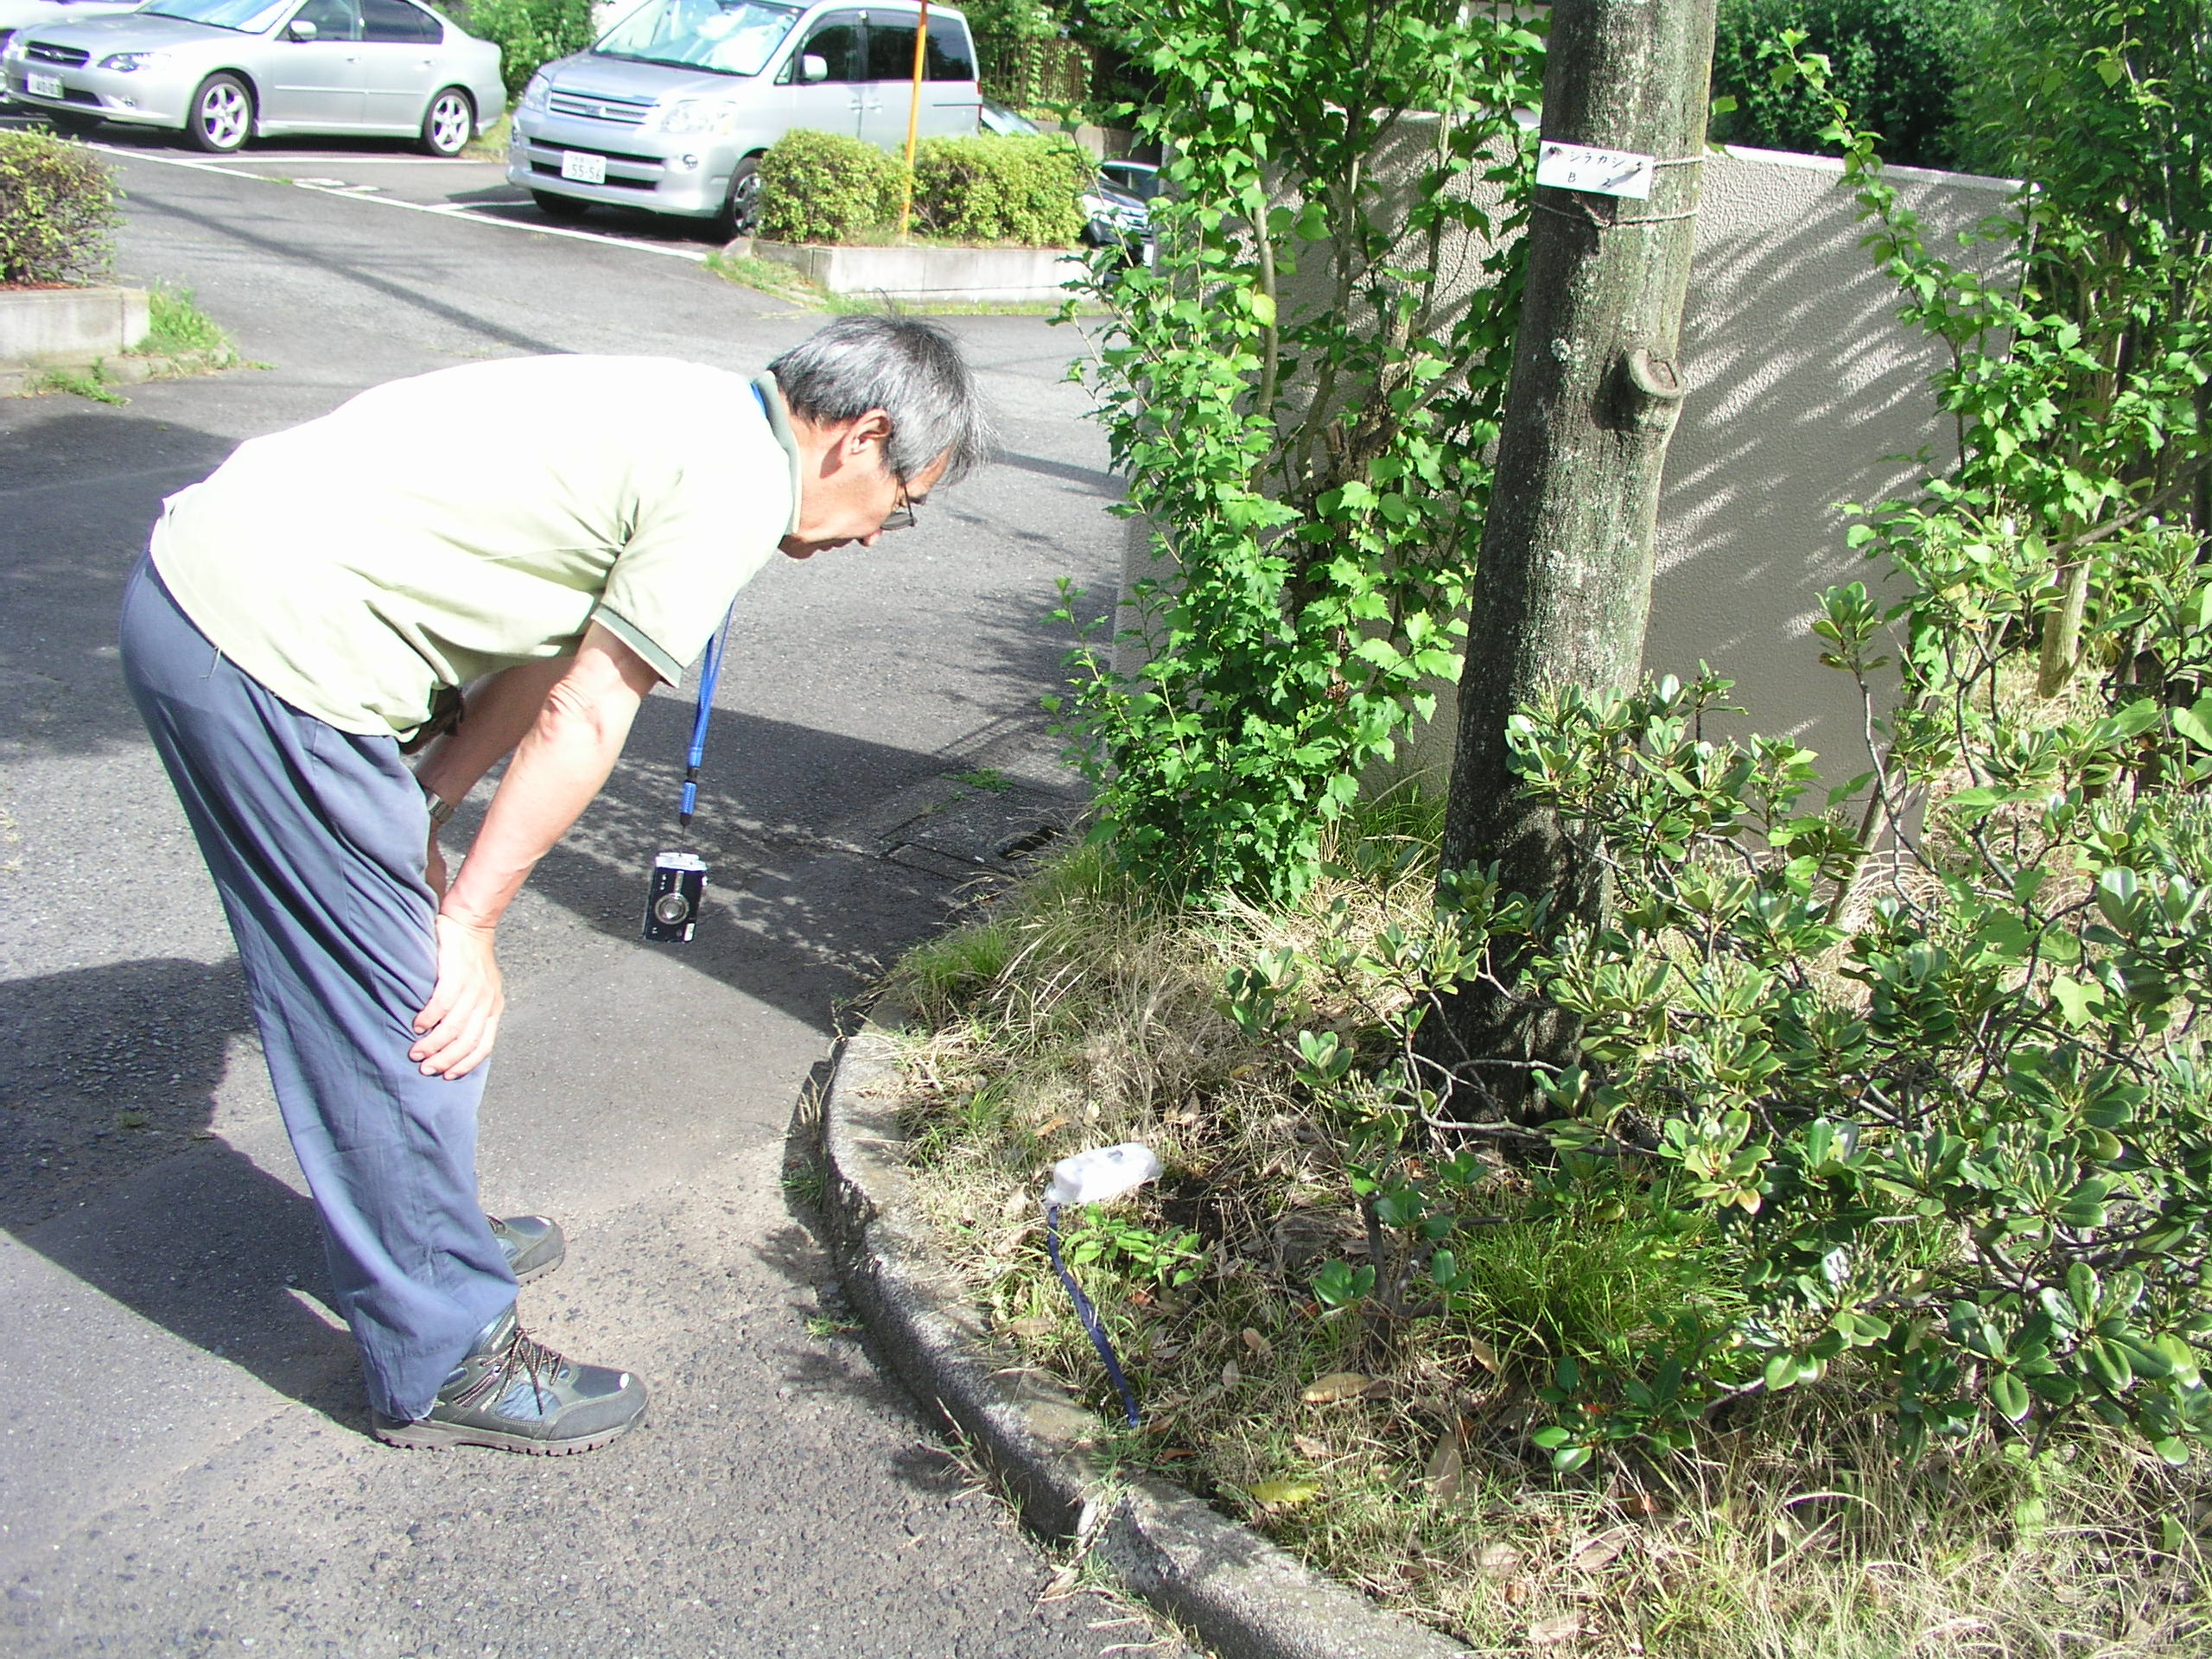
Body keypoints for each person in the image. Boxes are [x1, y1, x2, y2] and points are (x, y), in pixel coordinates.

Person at [118, 316, 992, 1456]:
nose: (881, 535)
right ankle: (445, 1350)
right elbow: (589, 708)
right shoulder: (732, 486)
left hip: (221, 599)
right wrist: (470, 920)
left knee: (401, 973)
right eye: (904, 500)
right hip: (272, 652)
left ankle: (426, 1230)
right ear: (859, 437)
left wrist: (427, 805)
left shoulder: (699, 411)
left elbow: (547, 648)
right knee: (416, 1004)